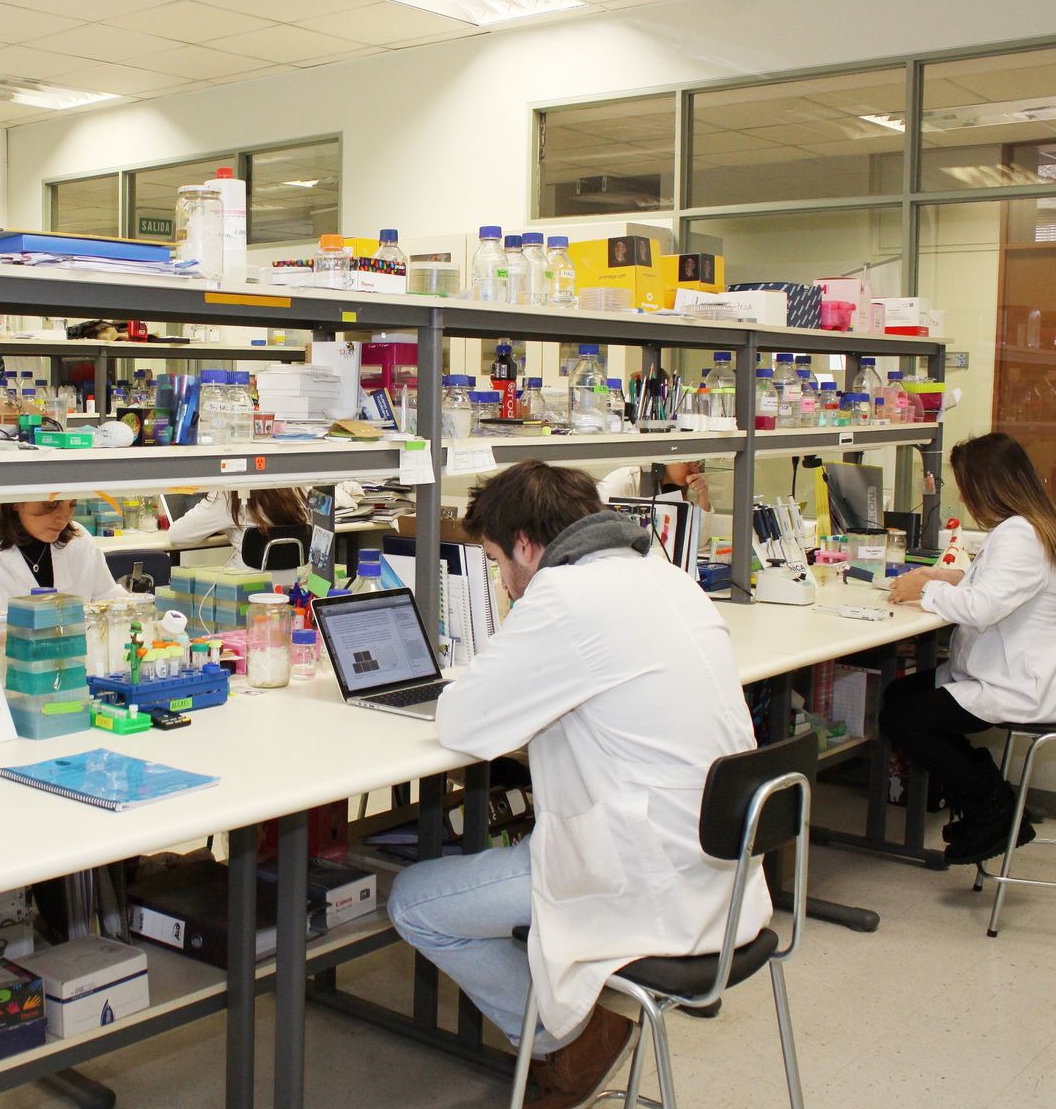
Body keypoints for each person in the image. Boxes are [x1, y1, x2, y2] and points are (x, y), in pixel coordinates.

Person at [386, 461, 766, 1109]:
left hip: (639, 873)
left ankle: (570, 1043)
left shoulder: (564, 595)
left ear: (526, 545)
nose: (503, 582)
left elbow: (464, 722)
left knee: (413, 902)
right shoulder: (666, 578)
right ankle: (571, 1026)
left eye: (496, 562)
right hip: (723, 878)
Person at [881, 432, 1056, 864]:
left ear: (987, 487)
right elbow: (1007, 588)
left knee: (905, 716)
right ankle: (987, 800)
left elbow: (984, 608)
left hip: (1023, 685)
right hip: (1024, 671)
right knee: (901, 695)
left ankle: (992, 807)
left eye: (966, 489)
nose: (965, 500)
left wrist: (925, 590)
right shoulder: (1036, 523)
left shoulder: (1019, 533)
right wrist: (950, 580)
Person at [0, 500, 127, 605]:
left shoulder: (79, 541)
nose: (64, 517)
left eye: (72, 504)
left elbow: (113, 606)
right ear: (15, 500)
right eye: (51, 506)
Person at [166, 488, 308, 569]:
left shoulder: (229, 495)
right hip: (295, 593)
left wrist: (220, 527)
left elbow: (177, 536)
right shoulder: (298, 487)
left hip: (244, 591)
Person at [595, 460, 711, 510]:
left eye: (697, 463)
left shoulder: (676, 489)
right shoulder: (624, 482)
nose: (695, 470)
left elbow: (696, 541)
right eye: (689, 462)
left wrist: (703, 496)